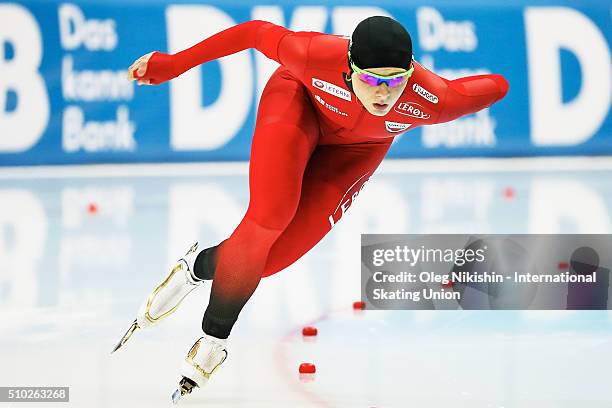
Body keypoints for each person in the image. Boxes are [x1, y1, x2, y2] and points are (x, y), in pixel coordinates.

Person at [113, 15, 509, 402]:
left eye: (394, 81)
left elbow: (496, 86)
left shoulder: (433, 99)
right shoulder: (312, 54)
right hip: (296, 105)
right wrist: (174, 64)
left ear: (409, 74)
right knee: (270, 217)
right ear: (350, 69)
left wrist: (480, 84)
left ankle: (195, 269)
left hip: (357, 151)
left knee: (267, 261)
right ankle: (214, 341)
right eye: (371, 80)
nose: (383, 93)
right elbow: (254, 33)